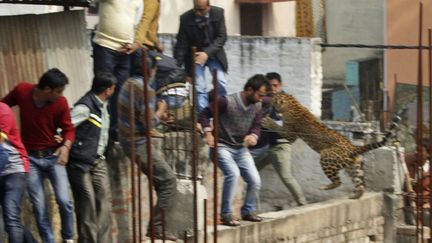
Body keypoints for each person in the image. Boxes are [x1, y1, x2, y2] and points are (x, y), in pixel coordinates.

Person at [1, 68, 75, 243]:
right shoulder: (22, 91)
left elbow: (68, 129)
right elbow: (3, 106)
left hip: (53, 154)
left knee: (64, 200)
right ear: (47, 89)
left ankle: (68, 238)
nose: (61, 95)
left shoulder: (61, 103)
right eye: (58, 91)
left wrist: (65, 146)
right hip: (30, 158)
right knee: (39, 206)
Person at [117, 51, 177, 241]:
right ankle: (157, 228)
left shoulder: (128, 83)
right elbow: (149, 123)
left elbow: (142, 116)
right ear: (151, 70)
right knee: (168, 181)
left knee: (161, 182)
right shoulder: (145, 90)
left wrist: (157, 116)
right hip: (138, 142)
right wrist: (161, 111)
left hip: (128, 139)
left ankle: (157, 226)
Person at [199, 74, 267, 226]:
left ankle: (248, 211)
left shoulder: (257, 106)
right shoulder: (225, 101)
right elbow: (204, 114)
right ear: (249, 90)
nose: (261, 99)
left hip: (240, 148)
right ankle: (226, 214)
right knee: (233, 174)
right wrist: (208, 132)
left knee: (255, 180)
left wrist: (254, 136)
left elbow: (257, 125)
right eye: (259, 95)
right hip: (222, 145)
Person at [67, 73, 116, 243]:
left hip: (98, 160)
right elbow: (65, 127)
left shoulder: (103, 106)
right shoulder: (85, 107)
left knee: (104, 201)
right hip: (80, 163)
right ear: (109, 89)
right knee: (87, 203)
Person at [249, 72, 307, 206]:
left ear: (280, 86)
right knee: (250, 174)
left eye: (275, 86)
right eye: (270, 86)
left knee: (286, 177)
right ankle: (253, 208)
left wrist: (270, 122)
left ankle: (303, 204)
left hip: (280, 145)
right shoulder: (264, 101)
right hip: (266, 146)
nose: (273, 89)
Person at [93, 0, 143, 140]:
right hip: (105, 46)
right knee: (103, 89)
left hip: (126, 51)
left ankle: (114, 131)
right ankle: (97, 129)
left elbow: (137, 22)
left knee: (120, 92)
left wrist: (134, 43)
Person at [174, 0, 228, 112]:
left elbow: (222, 37)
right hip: (195, 57)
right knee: (199, 87)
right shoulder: (185, 18)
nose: (198, 13)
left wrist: (207, 53)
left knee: (220, 82)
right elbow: (181, 45)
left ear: (209, 7)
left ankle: (221, 112)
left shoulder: (218, 13)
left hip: (214, 54)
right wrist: (180, 70)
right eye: (196, 9)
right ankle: (204, 117)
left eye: (201, 10)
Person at [0, 102, 35, 242]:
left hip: (14, 169)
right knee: (10, 221)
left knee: (11, 216)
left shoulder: (3, 111)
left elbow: (2, 154)